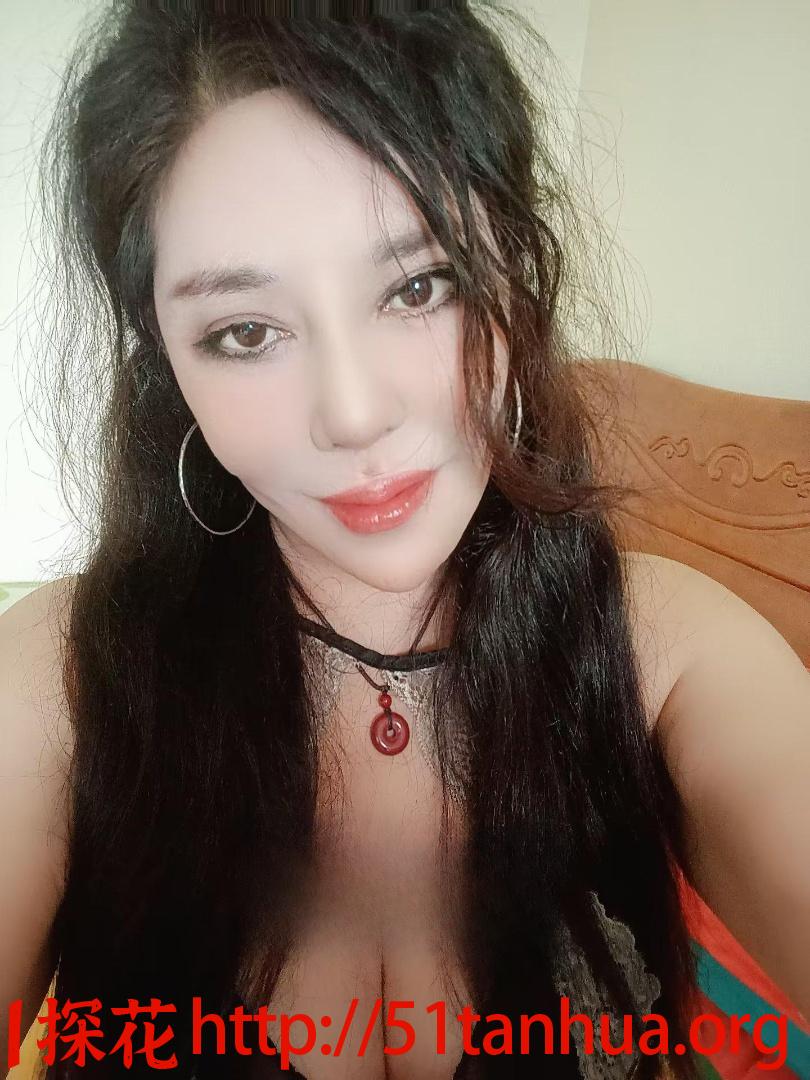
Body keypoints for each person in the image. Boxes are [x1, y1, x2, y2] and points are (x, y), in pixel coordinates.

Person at [2, 1, 808, 1078]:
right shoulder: (60, 678)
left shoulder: (672, 650)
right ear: (169, 365)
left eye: (418, 286)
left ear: (513, 275)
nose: (353, 414)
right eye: (246, 331)